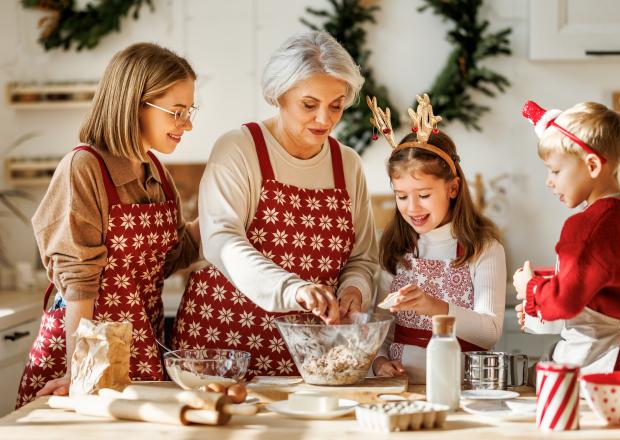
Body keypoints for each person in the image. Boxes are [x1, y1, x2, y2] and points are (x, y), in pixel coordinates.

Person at [171, 30, 378, 378]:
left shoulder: (348, 164)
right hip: (223, 346)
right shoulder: (239, 148)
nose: (324, 119)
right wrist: (294, 289)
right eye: (309, 105)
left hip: (311, 357)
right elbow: (221, 240)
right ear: (278, 95)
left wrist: (355, 288)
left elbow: (361, 257)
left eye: (336, 105)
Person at [16, 43, 201, 408]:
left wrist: (222, 217)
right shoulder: (84, 168)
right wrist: (78, 369)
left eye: (190, 110)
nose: (188, 124)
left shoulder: (157, 172)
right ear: (135, 105)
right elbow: (78, 283)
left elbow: (170, 257)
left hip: (138, 344)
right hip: (85, 346)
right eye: (177, 112)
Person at [370, 94, 506, 384]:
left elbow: (490, 330)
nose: (412, 207)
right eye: (402, 196)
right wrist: (379, 361)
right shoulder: (395, 249)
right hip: (402, 387)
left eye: (424, 195)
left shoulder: (483, 249)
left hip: (464, 386)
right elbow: (380, 326)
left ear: (453, 188)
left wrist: (436, 308)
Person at [514, 100, 620, 373]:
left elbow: (565, 300)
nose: (549, 181)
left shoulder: (585, 226)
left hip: (596, 365)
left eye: (556, 170)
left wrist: (531, 288)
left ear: (592, 165)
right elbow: (602, 285)